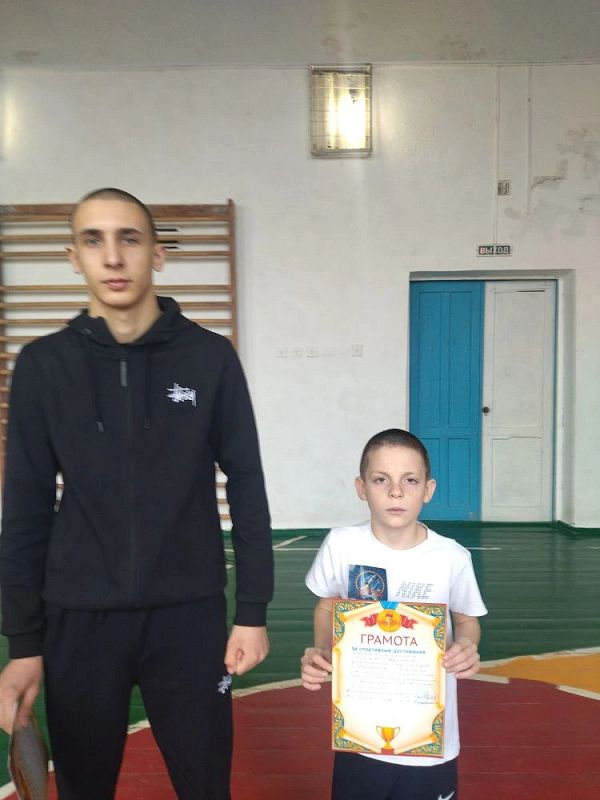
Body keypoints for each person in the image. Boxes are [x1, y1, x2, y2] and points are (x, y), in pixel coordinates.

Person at [0, 188, 273, 799]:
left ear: (157, 254)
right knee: (83, 790)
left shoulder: (209, 358)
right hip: (79, 620)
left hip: (189, 617)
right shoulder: (43, 366)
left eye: (129, 238)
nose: (113, 257)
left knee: (206, 787)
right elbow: (24, 510)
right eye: (93, 240)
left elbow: (248, 485)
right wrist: (24, 643)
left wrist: (252, 611)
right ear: (74, 258)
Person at [301, 428, 487, 800]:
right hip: (359, 735)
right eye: (381, 480)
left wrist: (467, 646)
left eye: (410, 480)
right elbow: (326, 605)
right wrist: (322, 649)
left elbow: (467, 620)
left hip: (430, 742)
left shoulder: (451, 557)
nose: (396, 492)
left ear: (428, 490)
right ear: (361, 487)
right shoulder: (341, 544)